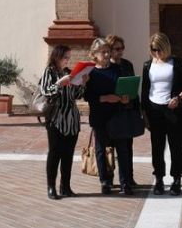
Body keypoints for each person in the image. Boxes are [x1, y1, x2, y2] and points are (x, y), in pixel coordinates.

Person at [83, 37, 137, 195]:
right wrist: (105, 98)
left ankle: (125, 183)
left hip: (118, 114)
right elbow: (87, 96)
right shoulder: (90, 72)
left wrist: (125, 97)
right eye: (103, 52)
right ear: (94, 54)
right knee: (101, 150)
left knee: (122, 149)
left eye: (108, 51)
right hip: (100, 116)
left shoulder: (116, 69)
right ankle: (105, 181)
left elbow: (124, 88)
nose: (107, 54)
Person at [141, 33, 182, 195]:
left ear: (166, 47)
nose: (157, 53)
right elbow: (145, 90)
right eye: (153, 50)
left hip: (173, 110)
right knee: (157, 147)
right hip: (154, 110)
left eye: (159, 49)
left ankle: (176, 179)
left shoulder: (176, 63)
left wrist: (178, 98)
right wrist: (144, 113)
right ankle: (159, 179)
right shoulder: (147, 65)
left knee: (176, 146)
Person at [38, 45, 84, 199]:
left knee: (68, 154)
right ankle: (51, 187)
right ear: (56, 57)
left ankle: (65, 186)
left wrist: (82, 83)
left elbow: (76, 95)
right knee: (55, 153)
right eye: (65, 57)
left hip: (71, 119)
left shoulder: (69, 73)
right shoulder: (49, 72)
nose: (67, 61)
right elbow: (45, 91)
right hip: (56, 119)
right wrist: (59, 84)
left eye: (68, 58)